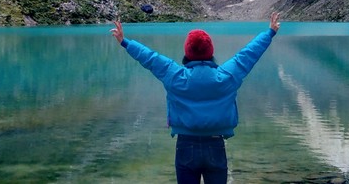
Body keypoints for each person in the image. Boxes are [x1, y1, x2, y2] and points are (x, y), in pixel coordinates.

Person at [110, 12, 281, 184]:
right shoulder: (226, 76)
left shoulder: (175, 75)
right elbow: (248, 54)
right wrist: (269, 33)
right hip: (215, 145)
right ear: (210, 52)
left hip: (186, 145)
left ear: (187, 52)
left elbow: (150, 58)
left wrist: (125, 42)